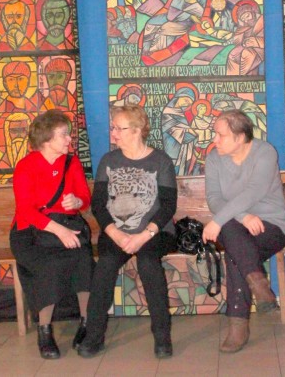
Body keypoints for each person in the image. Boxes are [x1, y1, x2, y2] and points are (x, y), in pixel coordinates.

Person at [78, 105, 177, 359]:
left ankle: (162, 336)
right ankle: (94, 336)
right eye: (113, 128)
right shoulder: (108, 161)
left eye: (118, 129)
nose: (113, 134)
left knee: (148, 263)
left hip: (155, 233)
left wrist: (144, 235)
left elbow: (168, 205)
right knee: (105, 266)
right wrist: (115, 234)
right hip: (116, 232)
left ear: (136, 130)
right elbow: (98, 204)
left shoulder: (160, 161)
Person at [9, 110, 94, 360]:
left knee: (83, 259)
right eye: (63, 135)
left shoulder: (71, 162)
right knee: (48, 265)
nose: (69, 139)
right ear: (46, 139)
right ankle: (44, 331)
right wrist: (59, 230)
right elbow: (25, 211)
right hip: (30, 234)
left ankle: (87, 324)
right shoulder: (26, 166)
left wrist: (77, 201)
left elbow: (85, 198)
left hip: (66, 226)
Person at [203, 110, 285, 353]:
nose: (215, 140)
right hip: (236, 226)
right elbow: (214, 198)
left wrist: (217, 222)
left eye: (220, 135)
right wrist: (243, 217)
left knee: (234, 249)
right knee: (232, 232)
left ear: (240, 137)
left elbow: (255, 191)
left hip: (271, 225)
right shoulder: (214, 159)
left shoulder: (265, 152)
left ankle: (238, 327)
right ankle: (258, 284)